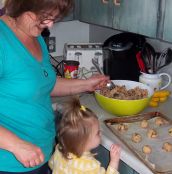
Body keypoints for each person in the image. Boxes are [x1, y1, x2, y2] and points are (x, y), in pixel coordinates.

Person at [0, 0, 109, 173]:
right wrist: (16, 145)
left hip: (42, 153)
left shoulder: (35, 36)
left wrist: (86, 84)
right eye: (44, 17)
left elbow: (42, 83)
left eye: (53, 18)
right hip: (10, 163)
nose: (50, 24)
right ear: (22, 6)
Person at [49, 97, 121, 174]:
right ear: (83, 141)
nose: (101, 133)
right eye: (97, 132)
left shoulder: (59, 149)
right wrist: (114, 161)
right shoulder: (90, 166)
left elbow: (51, 164)